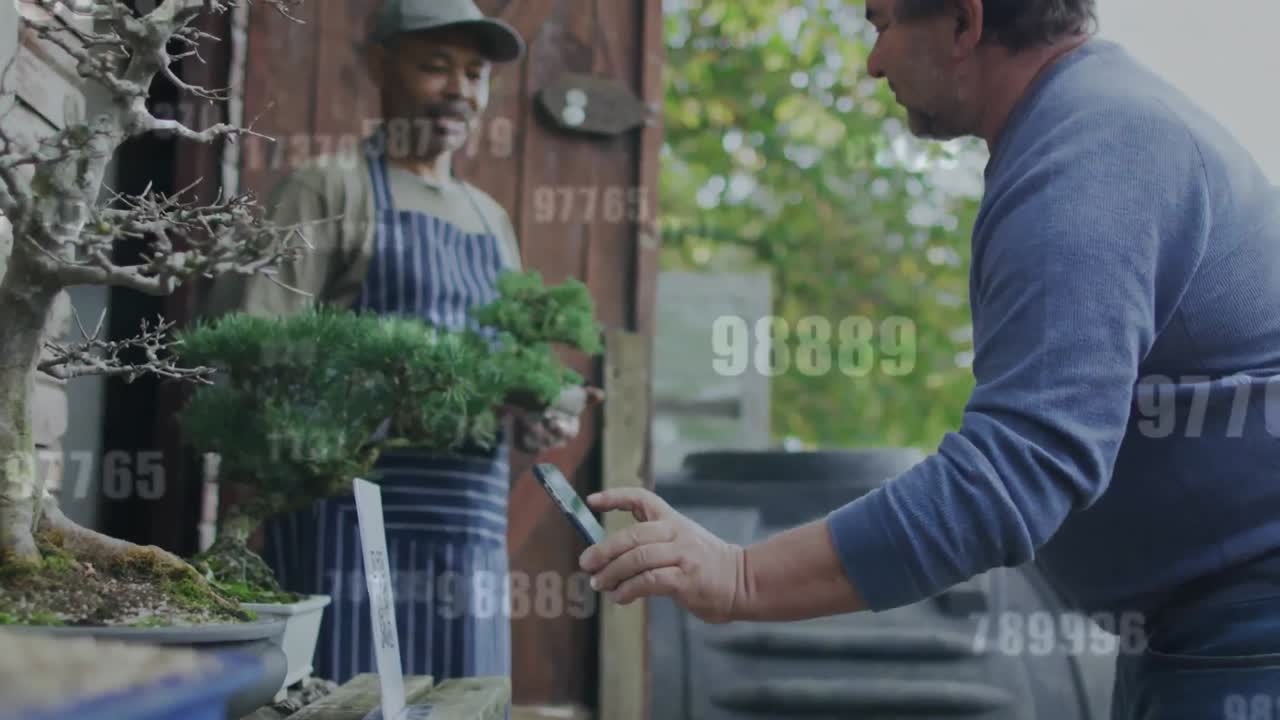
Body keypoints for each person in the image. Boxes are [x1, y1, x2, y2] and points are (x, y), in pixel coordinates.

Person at [579, 1, 1280, 718]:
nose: (873, 62)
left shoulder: (1092, 154)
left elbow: (1014, 474)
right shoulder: (1086, 126)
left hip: (1249, 629)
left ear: (964, 23)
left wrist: (740, 578)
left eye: (882, 24)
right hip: (1199, 631)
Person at [201, 0, 589, 686]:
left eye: (475, 74)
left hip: (467, 530)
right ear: (381, 67)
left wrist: (535, 413)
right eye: (436, 66)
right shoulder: (325, 190)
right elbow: (253, 359)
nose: (459, 90)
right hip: (346, 520)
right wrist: (380, 401)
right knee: (352, 696)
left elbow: (507, 365)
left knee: (466, 699)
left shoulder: (490, 220)